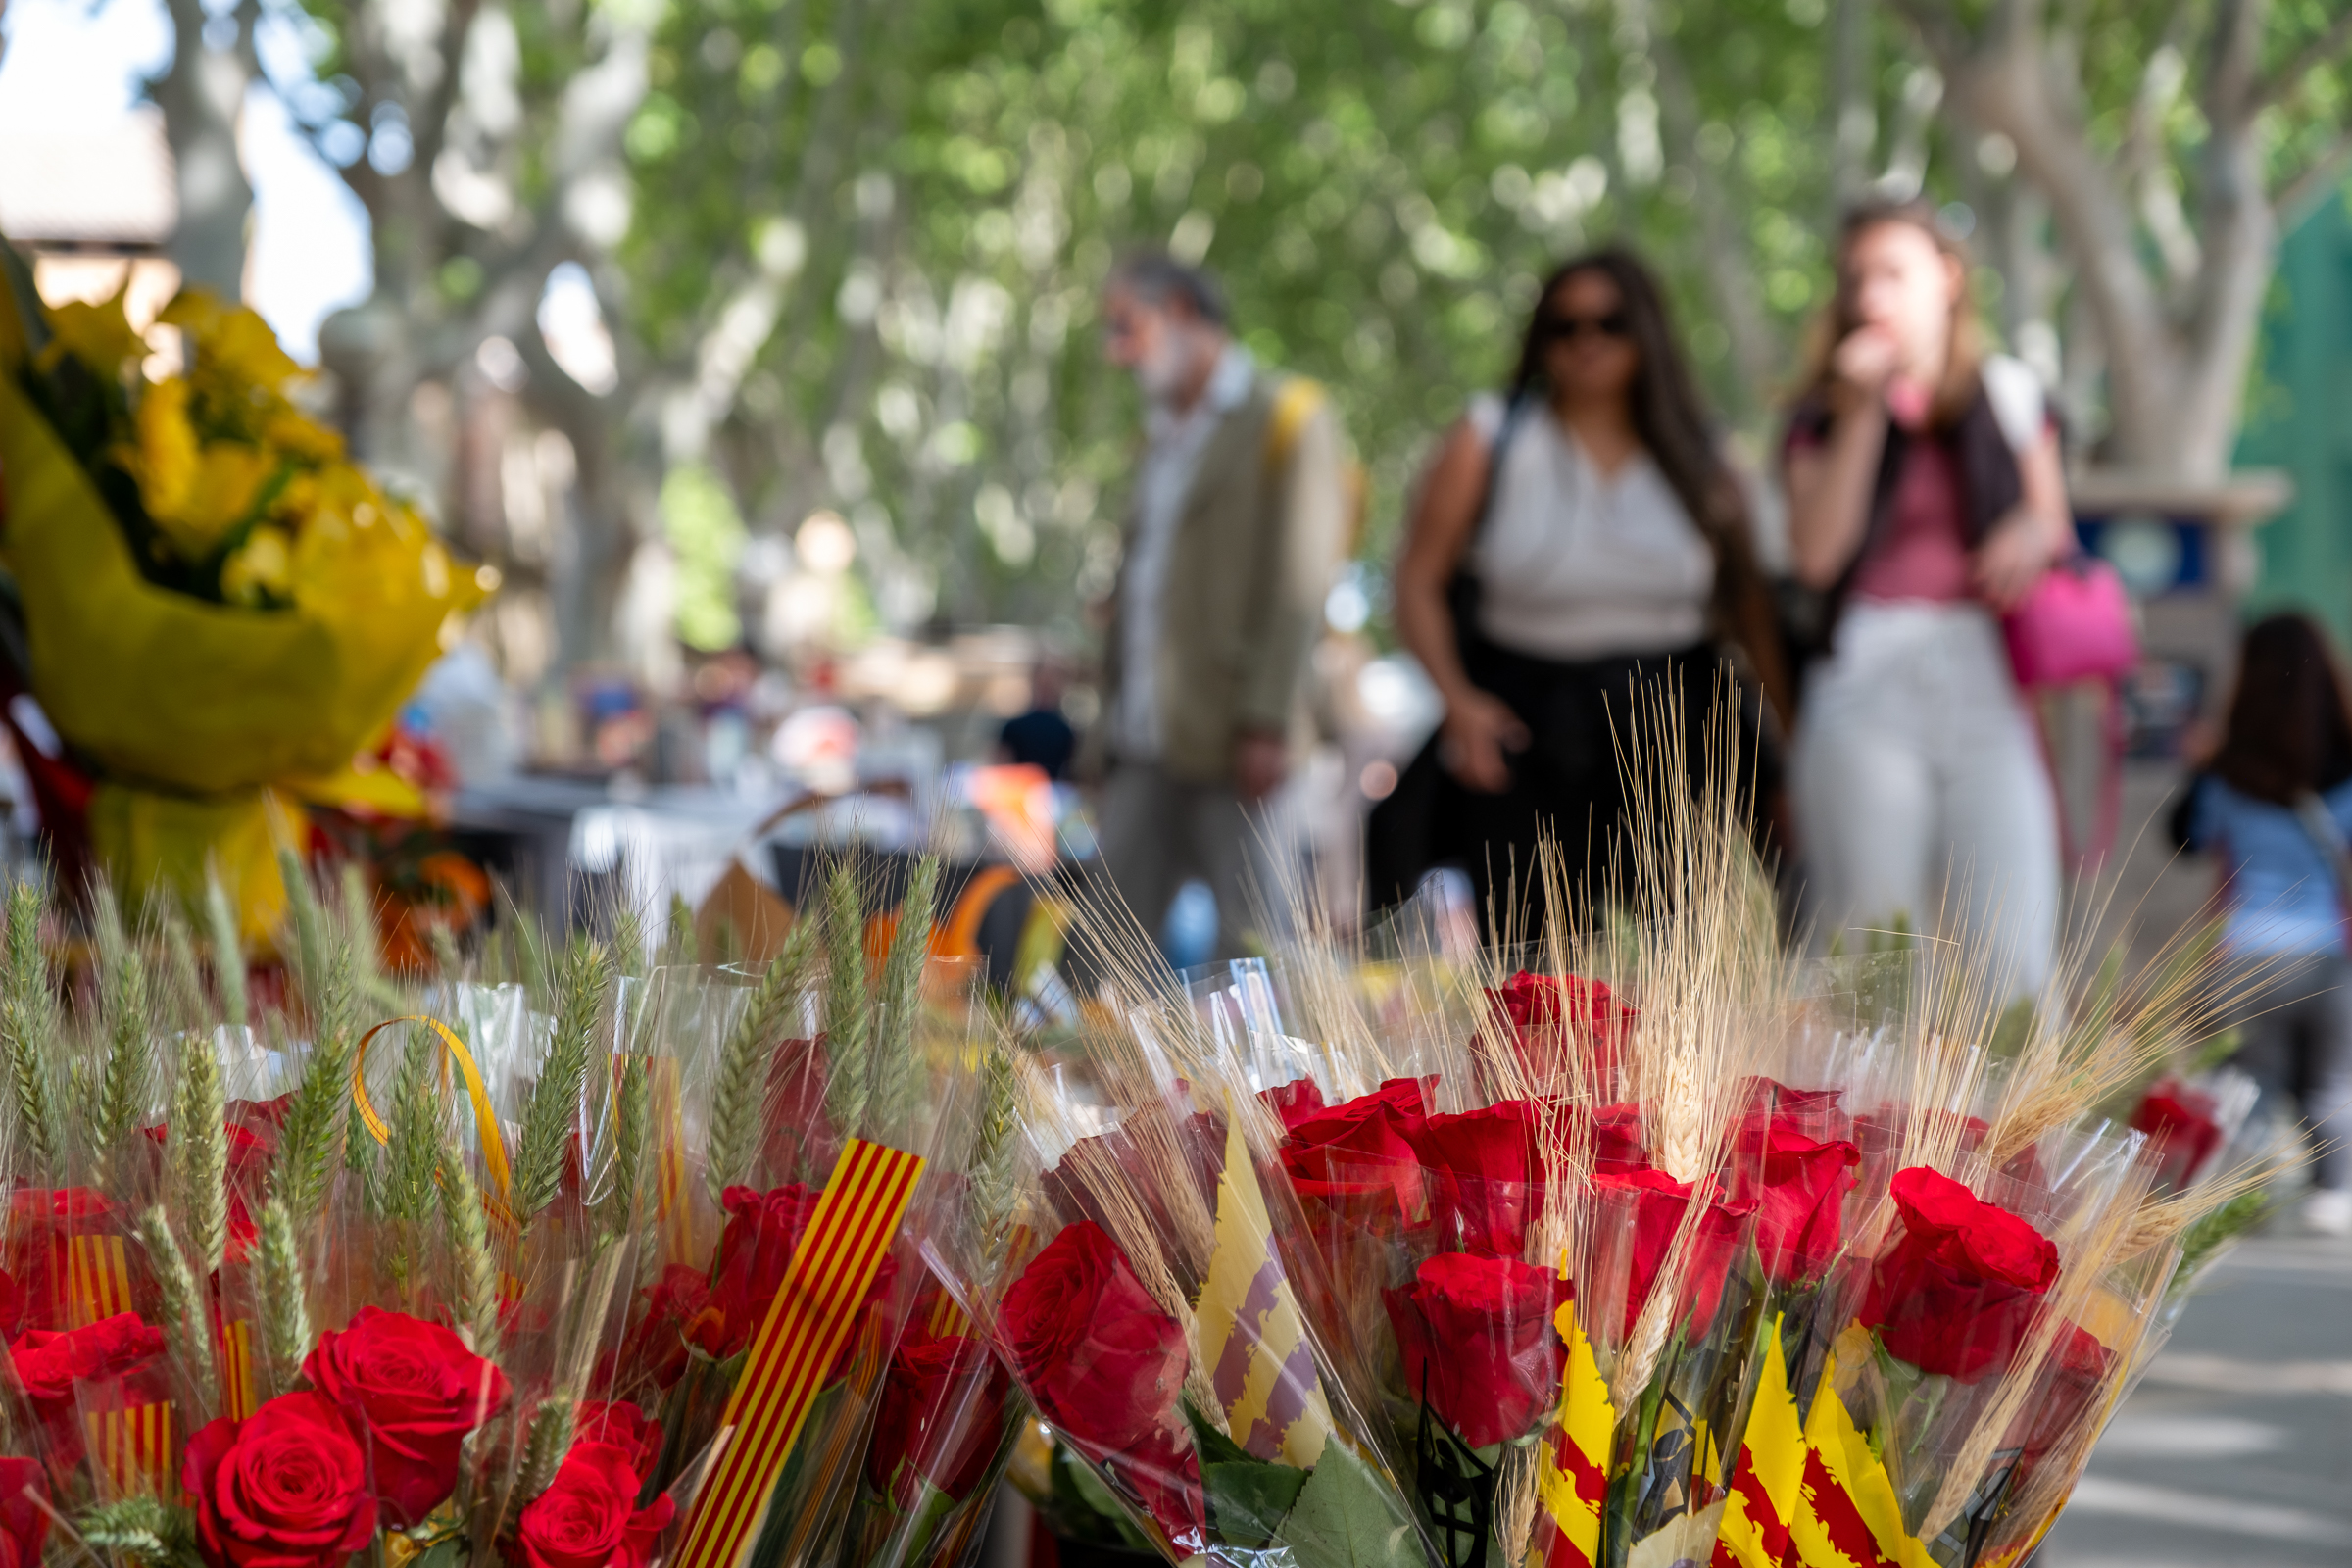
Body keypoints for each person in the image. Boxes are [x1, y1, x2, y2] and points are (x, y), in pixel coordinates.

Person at [1379, 246, 1788, 929]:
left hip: (1678, 727)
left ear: (1646, 331)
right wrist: (1460, 704)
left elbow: (1751, 609)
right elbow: (1418, 580)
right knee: (1532, 964)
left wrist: (1788, 748)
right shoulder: (1489, 439)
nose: (1586, 342)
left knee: (1685, 963)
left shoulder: (1706, 457)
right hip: (1526, 732)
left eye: (1610, 322)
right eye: (1564, 326)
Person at [1781, 199, 2074, 991]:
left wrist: (2029, 534)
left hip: (1985, 672)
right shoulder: (1823, 414)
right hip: (1866, 672)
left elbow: (2055, 522)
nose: (1871, 296)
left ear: (1947, 278)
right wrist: (1864, 409)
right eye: (1856, 279)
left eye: (1893, 273)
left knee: (2012, 950)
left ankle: (2013, 1118)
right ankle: (1865, 1119)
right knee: (1873, 954)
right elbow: (1816, 555)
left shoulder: (2009, 393)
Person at [1082, 252, 1347, 963]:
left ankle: (1283, 1082)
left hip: (1236, 736)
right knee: (1103, 955)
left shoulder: (1286, 418)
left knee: (1255, 955)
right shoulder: (1160, 438)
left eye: (1124, 325)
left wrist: (1266, 717)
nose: (1116, 349)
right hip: (1145, 736)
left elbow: (1299, 583)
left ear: (1178, 311)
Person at [2172, 613, 2352, 1237]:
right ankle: (2335, 1196)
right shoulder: (2345, 774)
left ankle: (2244, 1199)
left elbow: (2185, 840)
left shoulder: (2226, 775)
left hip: (2244, 954)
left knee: (2249, 1086)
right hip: (2326, 955)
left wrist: (2199, 764)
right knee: (2332, 1086)